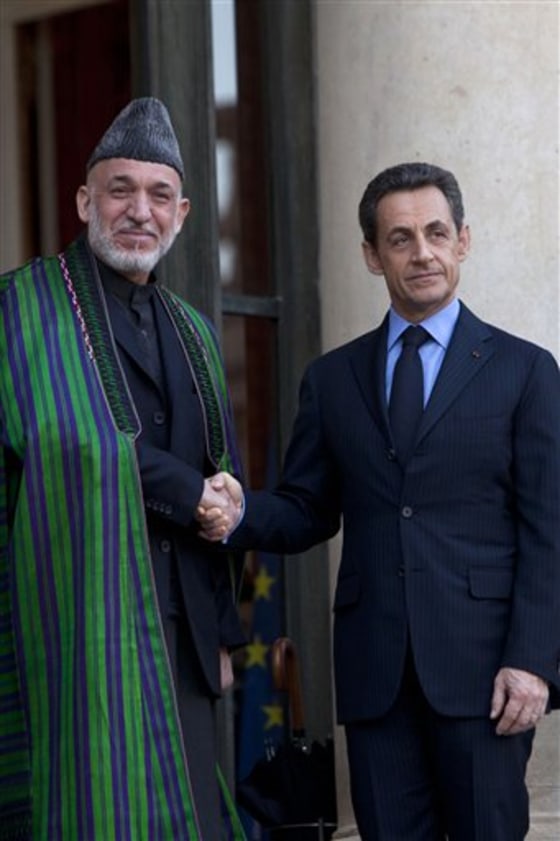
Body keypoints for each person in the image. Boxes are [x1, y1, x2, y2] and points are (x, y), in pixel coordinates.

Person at [199, 162, 560, 840]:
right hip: (376, 679)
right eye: (400, 238)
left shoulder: (526, 370)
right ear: (372, 254)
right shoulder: (333, 380)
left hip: (486, 675)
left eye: (435, 233)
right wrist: (242, 510)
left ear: (463, 241)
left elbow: (551, 528)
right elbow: (308, 508)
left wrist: (534, 659)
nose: (421, 252)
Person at [0, 97, 246, 840]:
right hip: (78, 622)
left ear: (183, 213)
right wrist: (193, 492)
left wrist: (223, 636)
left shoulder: (195, 331)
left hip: (187, 643)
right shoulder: (21, 308)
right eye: (120, 189)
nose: (140, 210)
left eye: (159, 194)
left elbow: (220, 472)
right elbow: (67, 436)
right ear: (84, 200)